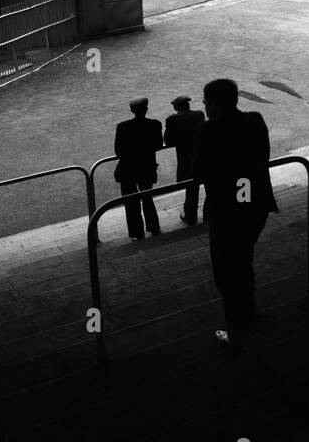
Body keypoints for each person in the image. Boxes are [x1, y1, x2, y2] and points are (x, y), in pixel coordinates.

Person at [192, 79, 278, 352]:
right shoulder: (255, 120)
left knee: (226, 269)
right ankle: (247, 313)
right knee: (243, 257)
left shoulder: (209, 130)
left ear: (215, 103)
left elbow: (199, 170)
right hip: (255, 204)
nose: (204, 107)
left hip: (226, 209)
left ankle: (237, 327)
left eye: (206, 102)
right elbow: (262, 156)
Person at [113, 97, 163, 240]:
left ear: (131, 110)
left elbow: (118, 151)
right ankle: (154, 227)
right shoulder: (155, 124)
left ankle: (136, 233)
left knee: (131, 202)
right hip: (147, 167)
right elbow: (158, 145)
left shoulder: (122, 127)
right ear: (146, 109)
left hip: (127, 169)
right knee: (148, 198)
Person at [163, 95, 205, 225]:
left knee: (190, 186)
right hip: (201, 155)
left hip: (185, 157)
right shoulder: (199, 114)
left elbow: (169, 141)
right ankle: (209, 212)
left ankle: (190, 215)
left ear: (176, 107)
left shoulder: (172, 120)